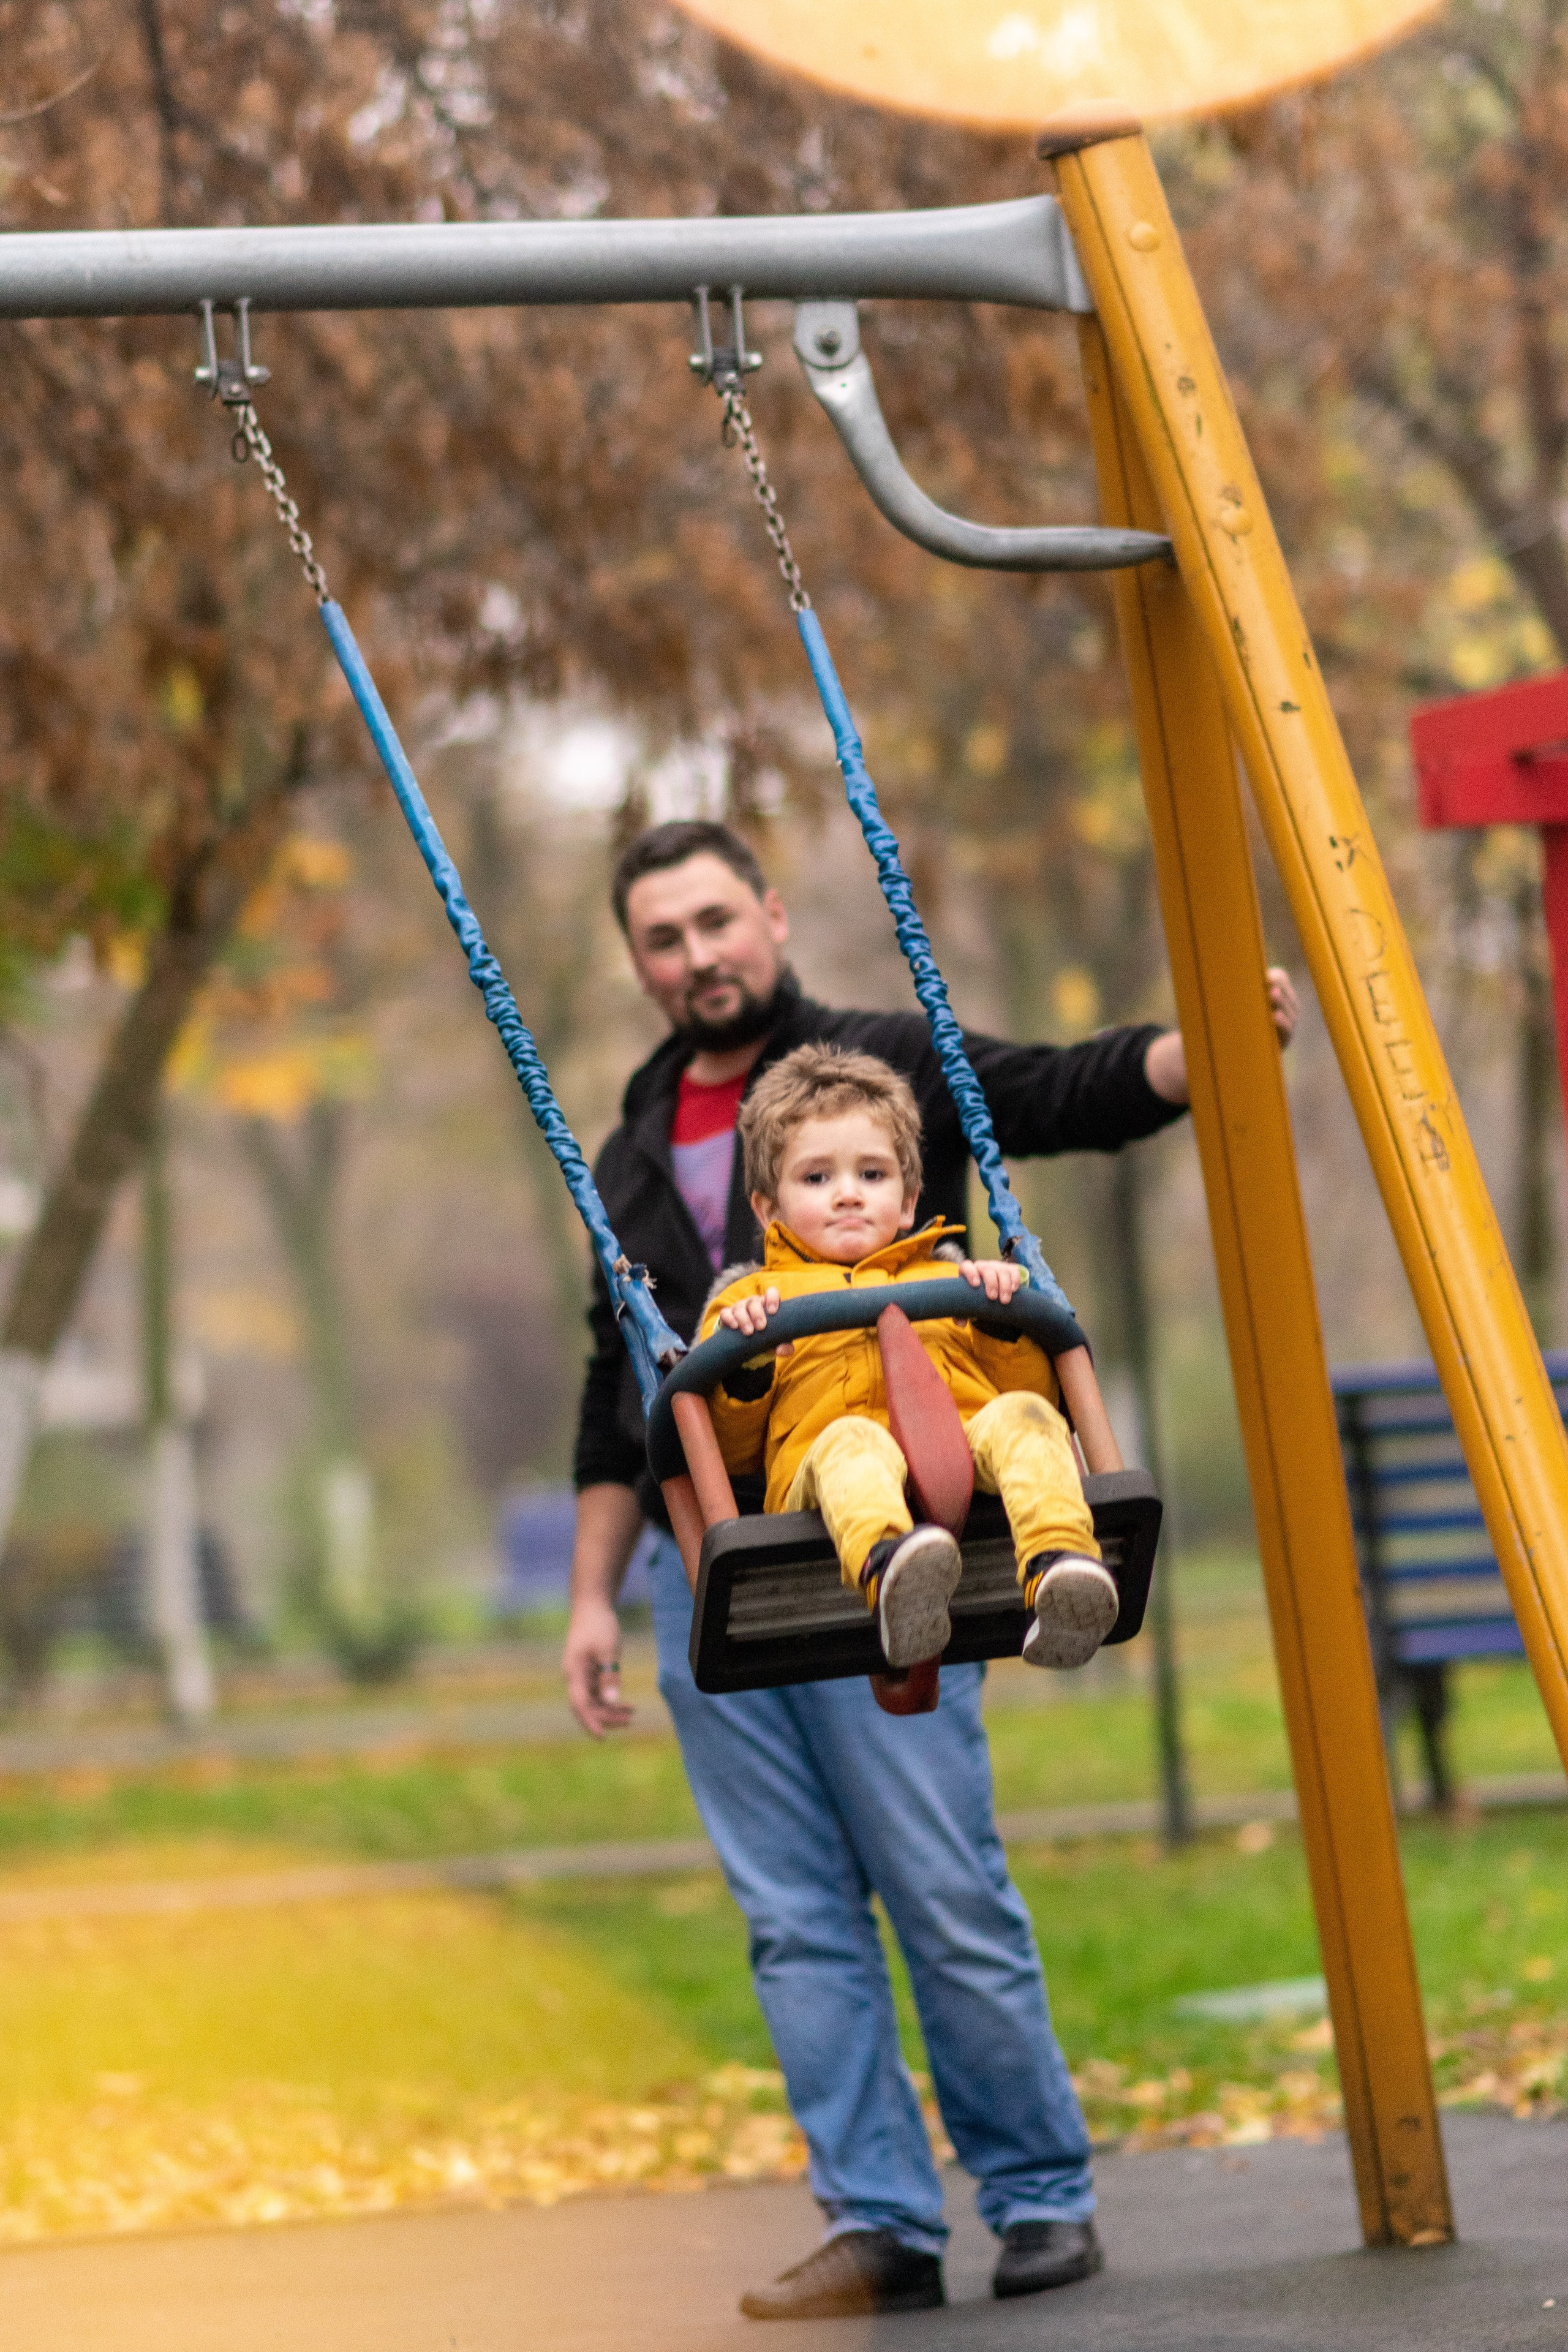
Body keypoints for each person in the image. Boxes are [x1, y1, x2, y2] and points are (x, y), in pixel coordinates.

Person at [564, 819, 1297, 2321]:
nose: (696, 953)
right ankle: (883, 2219)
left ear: (769, 914)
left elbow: (1042, 1091)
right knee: (790, 1911)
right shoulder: (631, 1139)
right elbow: (611, 1384)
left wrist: (1192, 1047)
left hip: (881, 1520)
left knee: (936, 1875)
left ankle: (1036, 2191)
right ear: (636, 960)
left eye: (717, 918)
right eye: (662, 935)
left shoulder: (870, 1062)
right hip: (708, 1552)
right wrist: (589, 1593)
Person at [705, 1043, 1117, 1673]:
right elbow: (726, 1452)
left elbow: (1032, 1385)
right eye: (817, 1178)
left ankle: (1060, 1568)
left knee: (1028, 1416)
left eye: (871, 1175)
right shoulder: (751, 1303)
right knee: (852, 1442)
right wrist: (746, 1359)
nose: (847, 1195)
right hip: (823, 1475)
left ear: (907, 1200)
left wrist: (998, 1318)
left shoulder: (949, 1280)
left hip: (959, 1448)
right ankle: (893, 1570)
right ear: (767, 1209)